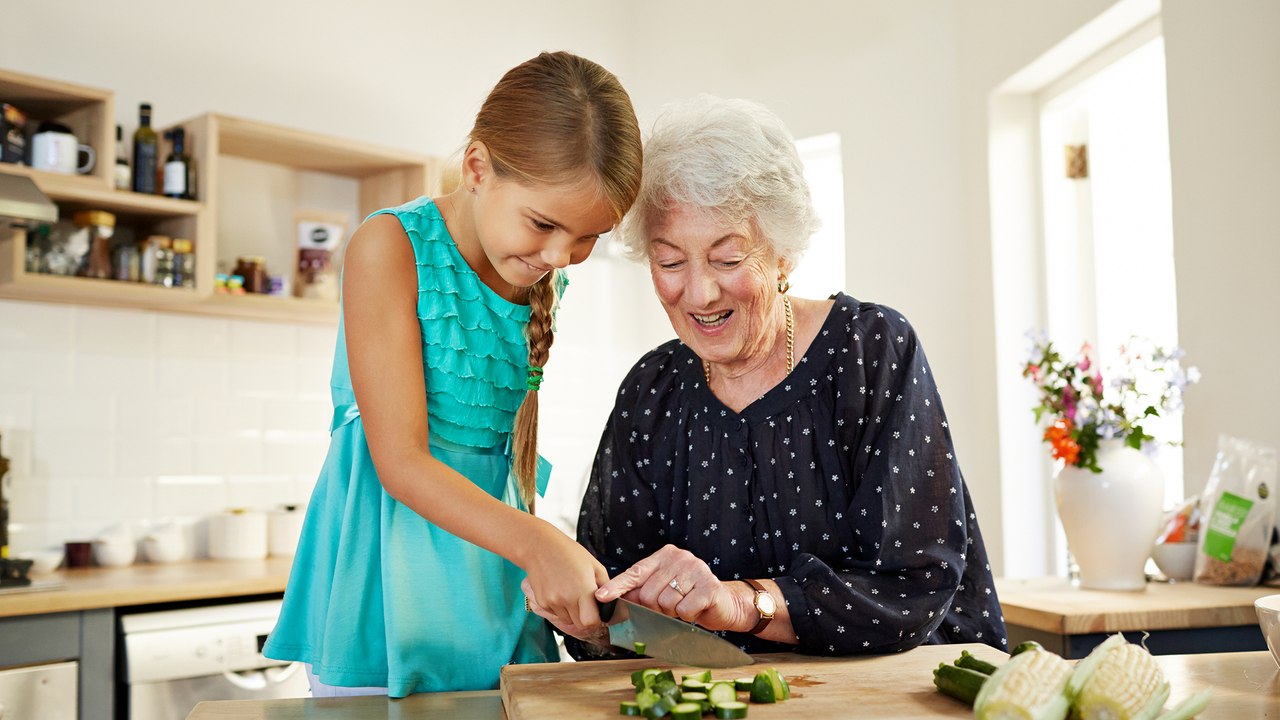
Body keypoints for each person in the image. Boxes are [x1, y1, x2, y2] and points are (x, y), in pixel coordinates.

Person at [539, 95, 1005, 658]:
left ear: (783, 255)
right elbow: (613, 600)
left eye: (728, 259)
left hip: (899, 689)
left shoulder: (870, 350)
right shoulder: (650, 392)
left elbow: (914, 582)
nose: (701, 292)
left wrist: (743, 603)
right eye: (670, 262)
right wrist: (599, 617)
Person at [263, 51, 643, 697]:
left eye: (588, 238)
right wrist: (542, 545)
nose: (560, 256)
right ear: (477, 166)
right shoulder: (389, 245)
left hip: (491, 574)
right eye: (544, 223)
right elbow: (402, 462)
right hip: (387, 573)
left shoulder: (538, 271)